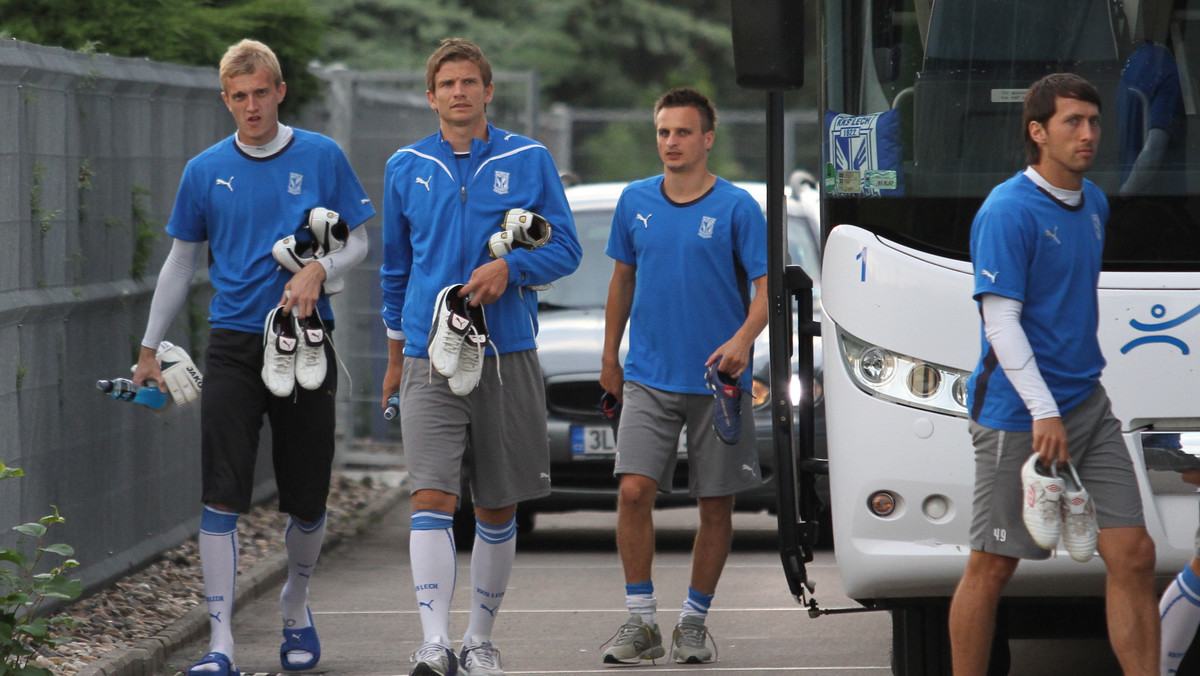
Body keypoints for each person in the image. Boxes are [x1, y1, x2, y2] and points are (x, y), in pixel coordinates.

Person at [131, 39, 375, 676]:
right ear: (226, 100)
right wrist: (148, 350)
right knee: (221, 495)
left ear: (280, 91)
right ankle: (221, 645)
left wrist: (319, 267)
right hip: (234, 344)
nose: (250, 106)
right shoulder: (204, 169)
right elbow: (182, 261)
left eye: (260, 92)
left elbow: (359, 244)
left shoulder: (321, 155)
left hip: (305, 340)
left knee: (307, 498)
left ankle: (295, 601)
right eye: (238, 96)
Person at [379, 38, 580, 676]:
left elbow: (568, 250)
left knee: (497, 504)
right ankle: (434, 645)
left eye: (470, 82)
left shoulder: (530, 157)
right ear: (431, 95)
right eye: (447, 84)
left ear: (488, 91)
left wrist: (510, 268)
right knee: (431, 496)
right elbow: (394, 271)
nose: (459, 92)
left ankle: (479, 642)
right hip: (427, 355)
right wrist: (394, 355)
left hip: (506, 352)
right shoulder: (404, 164)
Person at [947, 73, 1159, 675]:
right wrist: (1044, 410)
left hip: (1087, 405)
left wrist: (1067, 406)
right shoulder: (1007, 211)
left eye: (1094, 121)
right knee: (992, 566)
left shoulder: (1093, 200)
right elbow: (1002, 324)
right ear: (1037, 132)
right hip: (1018, 413)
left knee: (1134, 555)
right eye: (1073, 122)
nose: (1088, 133)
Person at [597, 87, 768, 665]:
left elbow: (766, 292)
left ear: (708, 138)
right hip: (647, 374)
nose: (671, 142)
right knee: (632, 491)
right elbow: (621, 281)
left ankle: (692, 623)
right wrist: (609, 358)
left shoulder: (739, 207)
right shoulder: (634, 200)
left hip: (717, 383)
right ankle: (640, 623)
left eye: (683, 132)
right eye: (664, 132)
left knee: (715, 506)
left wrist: (743, 341)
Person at [1117, 0, 1186, 196]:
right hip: (1151, 197)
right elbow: (1153, 151)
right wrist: (1124, 195)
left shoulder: (1135, 60)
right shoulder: (1168, 73)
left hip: (1127, 180)